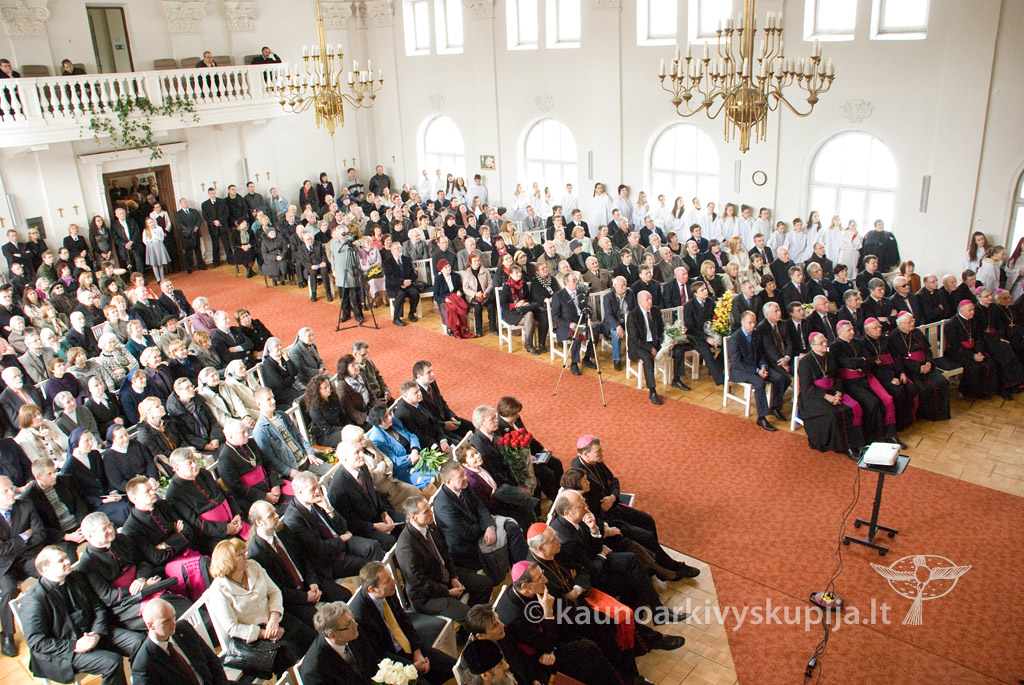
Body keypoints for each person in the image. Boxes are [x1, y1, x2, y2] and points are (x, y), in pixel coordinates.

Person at [494, 561, 635, 685]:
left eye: (542, 574)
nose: (546, 580)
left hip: (550, 636)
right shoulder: (514, 618)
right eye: (540, 578)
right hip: (540, 658)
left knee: (599, 626)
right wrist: (548, 614)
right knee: (588, 649)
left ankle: (625, 673)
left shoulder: (526, 590)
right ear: (525, 586)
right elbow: (544, 643)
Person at [571, 435, 695, 576]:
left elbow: (614, 481)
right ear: (585, 454)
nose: (603, 453)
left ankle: (657, 560)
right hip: (605, 519)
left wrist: (612, 497)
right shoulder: (578, 476)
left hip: (613, 506)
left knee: (647, 520)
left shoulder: (595, 461)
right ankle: (669, 566)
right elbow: (591, 510)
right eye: (598, 451)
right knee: (645, 536)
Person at [20, 545, 143, 685]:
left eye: (66, 557)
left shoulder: (76, 577)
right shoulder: (34, 600)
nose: (67, 562)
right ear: (45, 569)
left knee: (138, 642)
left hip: (92, 632)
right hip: (65, 649)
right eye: (61, 561)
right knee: (112, 662)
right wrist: (76, 644)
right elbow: (37, 642)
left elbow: (98, 608)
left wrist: (96, 633)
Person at [206, 538, 316, 677]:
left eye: (244, 552)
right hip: (254, 635)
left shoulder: (253, 566)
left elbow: (274, 592)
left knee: (310, 637)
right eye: (240, 555)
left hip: (275, 619)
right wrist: (265, 633)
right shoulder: (218, 591)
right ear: (228, 562)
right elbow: (232, 627)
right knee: (290, 653)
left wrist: (274, 619)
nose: (246, 556)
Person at [247, 500, 350, 629]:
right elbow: (277, 589)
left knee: (345, 595)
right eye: (271, 515)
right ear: (259, 522)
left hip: (307, 583)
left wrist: (313, 582)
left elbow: (303, 558)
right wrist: (305, 597)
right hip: (292, 598)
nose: (277, 515)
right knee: (319, 624)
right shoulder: (256, 554)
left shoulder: (282, 529)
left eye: (275, 512)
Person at [349, 562, 456, 685]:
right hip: (392, 663)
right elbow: (377, 655)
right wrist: (412, 667)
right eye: (387, 581)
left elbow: (404, 620)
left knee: (454, 666)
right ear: (372, 589)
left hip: (409, 647)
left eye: (391, 576)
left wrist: (417, 652)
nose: (394, 582)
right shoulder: (360, 616)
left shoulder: (388, 590)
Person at [393, 496, 494, 622]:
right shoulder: (406, 546)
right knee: (470, 617)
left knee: (485, 585)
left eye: (430, 509)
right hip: (427, 595)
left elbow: (445, 552)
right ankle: (473, 623)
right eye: (426, 512)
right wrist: (447, 592)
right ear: (413, 517)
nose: (431, 513)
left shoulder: (429, 526)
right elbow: (419, 582)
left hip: (443, 576)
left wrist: (453, 576)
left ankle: (471, 624)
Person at [281, 471, 384, 580]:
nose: (317, 491)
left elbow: (343, 527)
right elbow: (319, 548)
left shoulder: (316, 500)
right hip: (329, 558)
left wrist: (328, 508)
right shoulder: (293, 519)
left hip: (341, 541)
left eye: (318, 487)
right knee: (368, 565)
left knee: (373, 546)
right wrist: (342, 539)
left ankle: (388, 585)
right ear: (300, 492)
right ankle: (380, 586)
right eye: (312, 489)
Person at [122, 476, 211, 598]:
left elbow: (188, 531)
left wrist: (164, 544)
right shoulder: (132, 528)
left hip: (188, 549)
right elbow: (156, 558)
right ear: (134, 499)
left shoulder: (163, 505)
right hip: (165, 567)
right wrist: (177, 535)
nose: (153, 492)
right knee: (203, 564)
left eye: (151, 489)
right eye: (147, 491)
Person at [327, 430, 404, 550]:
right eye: (356, 453)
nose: (362, 455)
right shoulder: (338, 487)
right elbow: (349, 522)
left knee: (405, 521)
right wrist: (374, 526)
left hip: (376, 514)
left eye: (361, 451)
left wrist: (384, 513)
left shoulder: (362, 466)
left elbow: (373, 493)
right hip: (363, 527)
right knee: (390, 541)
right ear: (344, 459)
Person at [165, 448, 250, 552]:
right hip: (213, 537)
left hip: (233, 521)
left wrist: (237, 514)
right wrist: (225, 529)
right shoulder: (174, 493)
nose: (194, 465)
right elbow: (195, 523)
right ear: (177, 468)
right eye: (189, 463)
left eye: (194, 461)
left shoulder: (203, 473)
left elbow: (224, 495)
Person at [798, 333, 865, 459]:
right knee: (833, 413)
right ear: (813, 346)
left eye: (826, 341)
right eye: (821, 343)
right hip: (813, 396)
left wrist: (838, 392)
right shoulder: (805, 362)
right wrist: (827, 397)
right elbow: (807, 387)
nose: (825, 344)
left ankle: (856, 443)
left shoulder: (830, 356)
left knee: (854, 407)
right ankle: (845, 447)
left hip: (833, 391)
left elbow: (837, 377)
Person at [131, 597, 229, 685]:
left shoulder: (184, 628)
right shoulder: (143, 664)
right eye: (166, 621)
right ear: (151, 625)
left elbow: (212, 660)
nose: (173, 623)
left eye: (173, 616)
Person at [0, 473, 43, 656]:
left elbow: (40, 534)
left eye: (12, 488)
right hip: (3, 566)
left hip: (26, 557)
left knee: (48, 572)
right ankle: (7, 634)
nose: (12, 493)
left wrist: (11, 546)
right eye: (6, 491)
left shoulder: (26, 505)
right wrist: (25, 535)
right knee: (9, 590)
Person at [627, 289, 690, 405]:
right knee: (647, 358)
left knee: (679, 349)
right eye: (647, 300)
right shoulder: (632, 315)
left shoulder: (655, 310)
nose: (650, 301)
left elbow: (661, 329)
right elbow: (635, 339)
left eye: (651, 299)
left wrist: (668, 341)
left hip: (656, 342)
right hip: (640, 345)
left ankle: (676, 379)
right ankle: (652, 391)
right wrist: (650, 348)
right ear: (640, 302)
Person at [728, 311, 783, 431]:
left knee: (779, 378)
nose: (753, 325)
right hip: (741, 371)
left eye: (754, 322)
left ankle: (775, 407)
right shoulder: (735, 339)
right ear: (742, 322)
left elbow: (761, 354)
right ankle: (761, 418)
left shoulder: (756, 334)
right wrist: (757, 370)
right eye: (750, 323)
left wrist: (763, 366)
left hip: (757, 367)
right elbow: (737, 363)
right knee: (760, 383)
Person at [299, 602, 374, 684]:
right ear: (333, 635)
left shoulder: (353, 632)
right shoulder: (315, 672)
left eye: (352, 618)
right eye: (348, 624)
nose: (355, 624)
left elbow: (371, 662)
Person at [944, 299, 999, 399]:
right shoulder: (951, 324)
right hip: (957, 353)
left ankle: (984, 390)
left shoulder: (974, 321)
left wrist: (979, 352)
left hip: (974, 350)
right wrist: (972, 356)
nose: (973, 312)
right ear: (961, 311)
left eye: (973, 309)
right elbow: (955, 345)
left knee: (991, 363)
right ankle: (968, 392)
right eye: (970, 310)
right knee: (975, 367)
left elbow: (979, 339)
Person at [683, 280, 725, 384]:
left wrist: (716, 335)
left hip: (710, 333)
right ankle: (722, 381)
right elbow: (690, 327)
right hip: (695, 336)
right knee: (706, 351)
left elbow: (715, 320)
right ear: (696, 293)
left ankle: (715, 368)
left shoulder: (710, 302)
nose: (706, 291)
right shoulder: (689, 306)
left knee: (727, 344)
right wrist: (707, 338)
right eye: (702, 290)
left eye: (705, 289)